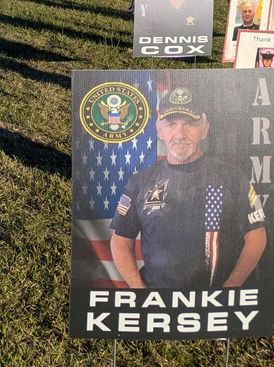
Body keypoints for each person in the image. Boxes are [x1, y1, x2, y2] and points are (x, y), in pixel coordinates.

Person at [109, 88, 266, 289]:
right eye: (171, 124)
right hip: (157, 302)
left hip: (216, 302)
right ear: (159, 130)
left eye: (190, 124)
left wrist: (231, 287)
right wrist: (139, 291)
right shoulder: (140, 181)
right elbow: (120, 241)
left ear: (205, 129)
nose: (180, 134)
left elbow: (256, 236)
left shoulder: (232, 177)